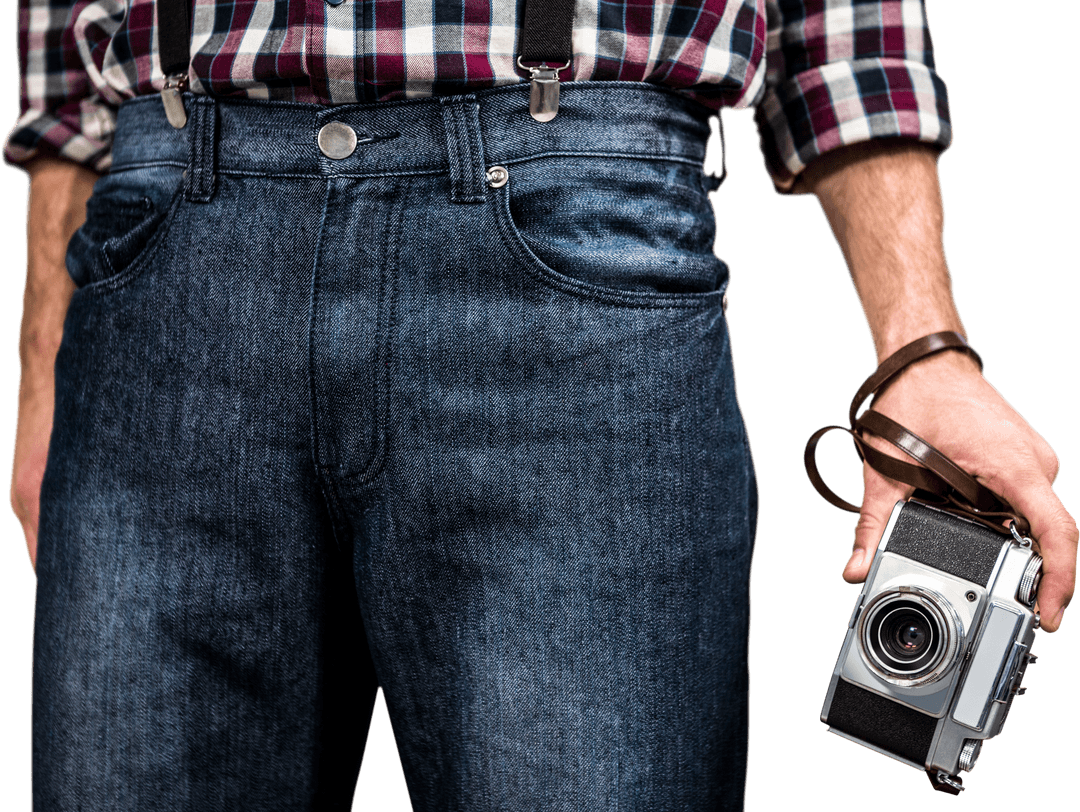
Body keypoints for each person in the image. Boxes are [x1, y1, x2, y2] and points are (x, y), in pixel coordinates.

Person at [4, 1, 1076, 810]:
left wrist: (920, 344)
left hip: (575, 256)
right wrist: (44, 363)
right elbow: (64, 65)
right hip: (160, 255)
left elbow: (843, 29)